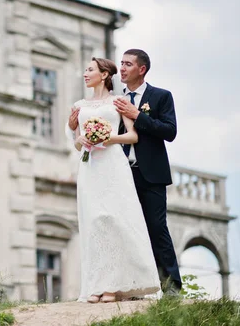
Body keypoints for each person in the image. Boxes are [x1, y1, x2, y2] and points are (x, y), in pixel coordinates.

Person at [66, 57, 160, 303]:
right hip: (90, 166)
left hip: (113, 164)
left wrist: (108, 139)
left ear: (105, 74)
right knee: (94, 221)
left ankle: (114, 285)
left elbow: (132, 136)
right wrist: (82, 139)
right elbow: (76, 142)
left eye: (90, 70)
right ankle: (96, 285)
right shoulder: (79, 105)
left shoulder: (118, 101)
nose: (85, 74)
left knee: (114, 218)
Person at [113, 48, 182, 295]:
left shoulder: (161, 96)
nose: (121, 68)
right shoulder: (113, 100)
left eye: (128, 64)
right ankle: (132, 286)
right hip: (121, 173)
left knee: (156, 227)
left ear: (141, 69)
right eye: (121, 63)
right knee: (126, 229)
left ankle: (171, 286)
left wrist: (137, 116)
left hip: (151, 174)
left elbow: (170, 131)